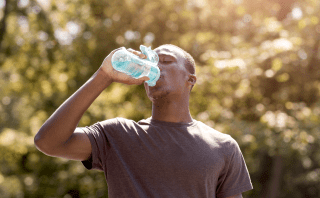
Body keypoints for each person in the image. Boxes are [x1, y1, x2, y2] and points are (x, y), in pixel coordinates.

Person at [34, 44, 253, 198]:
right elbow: (48, 142)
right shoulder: (118, 134)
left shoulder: (224, 146)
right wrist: (104, 75)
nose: (155, 68)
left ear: (190, 79)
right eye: (151, 62)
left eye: (166, 61)